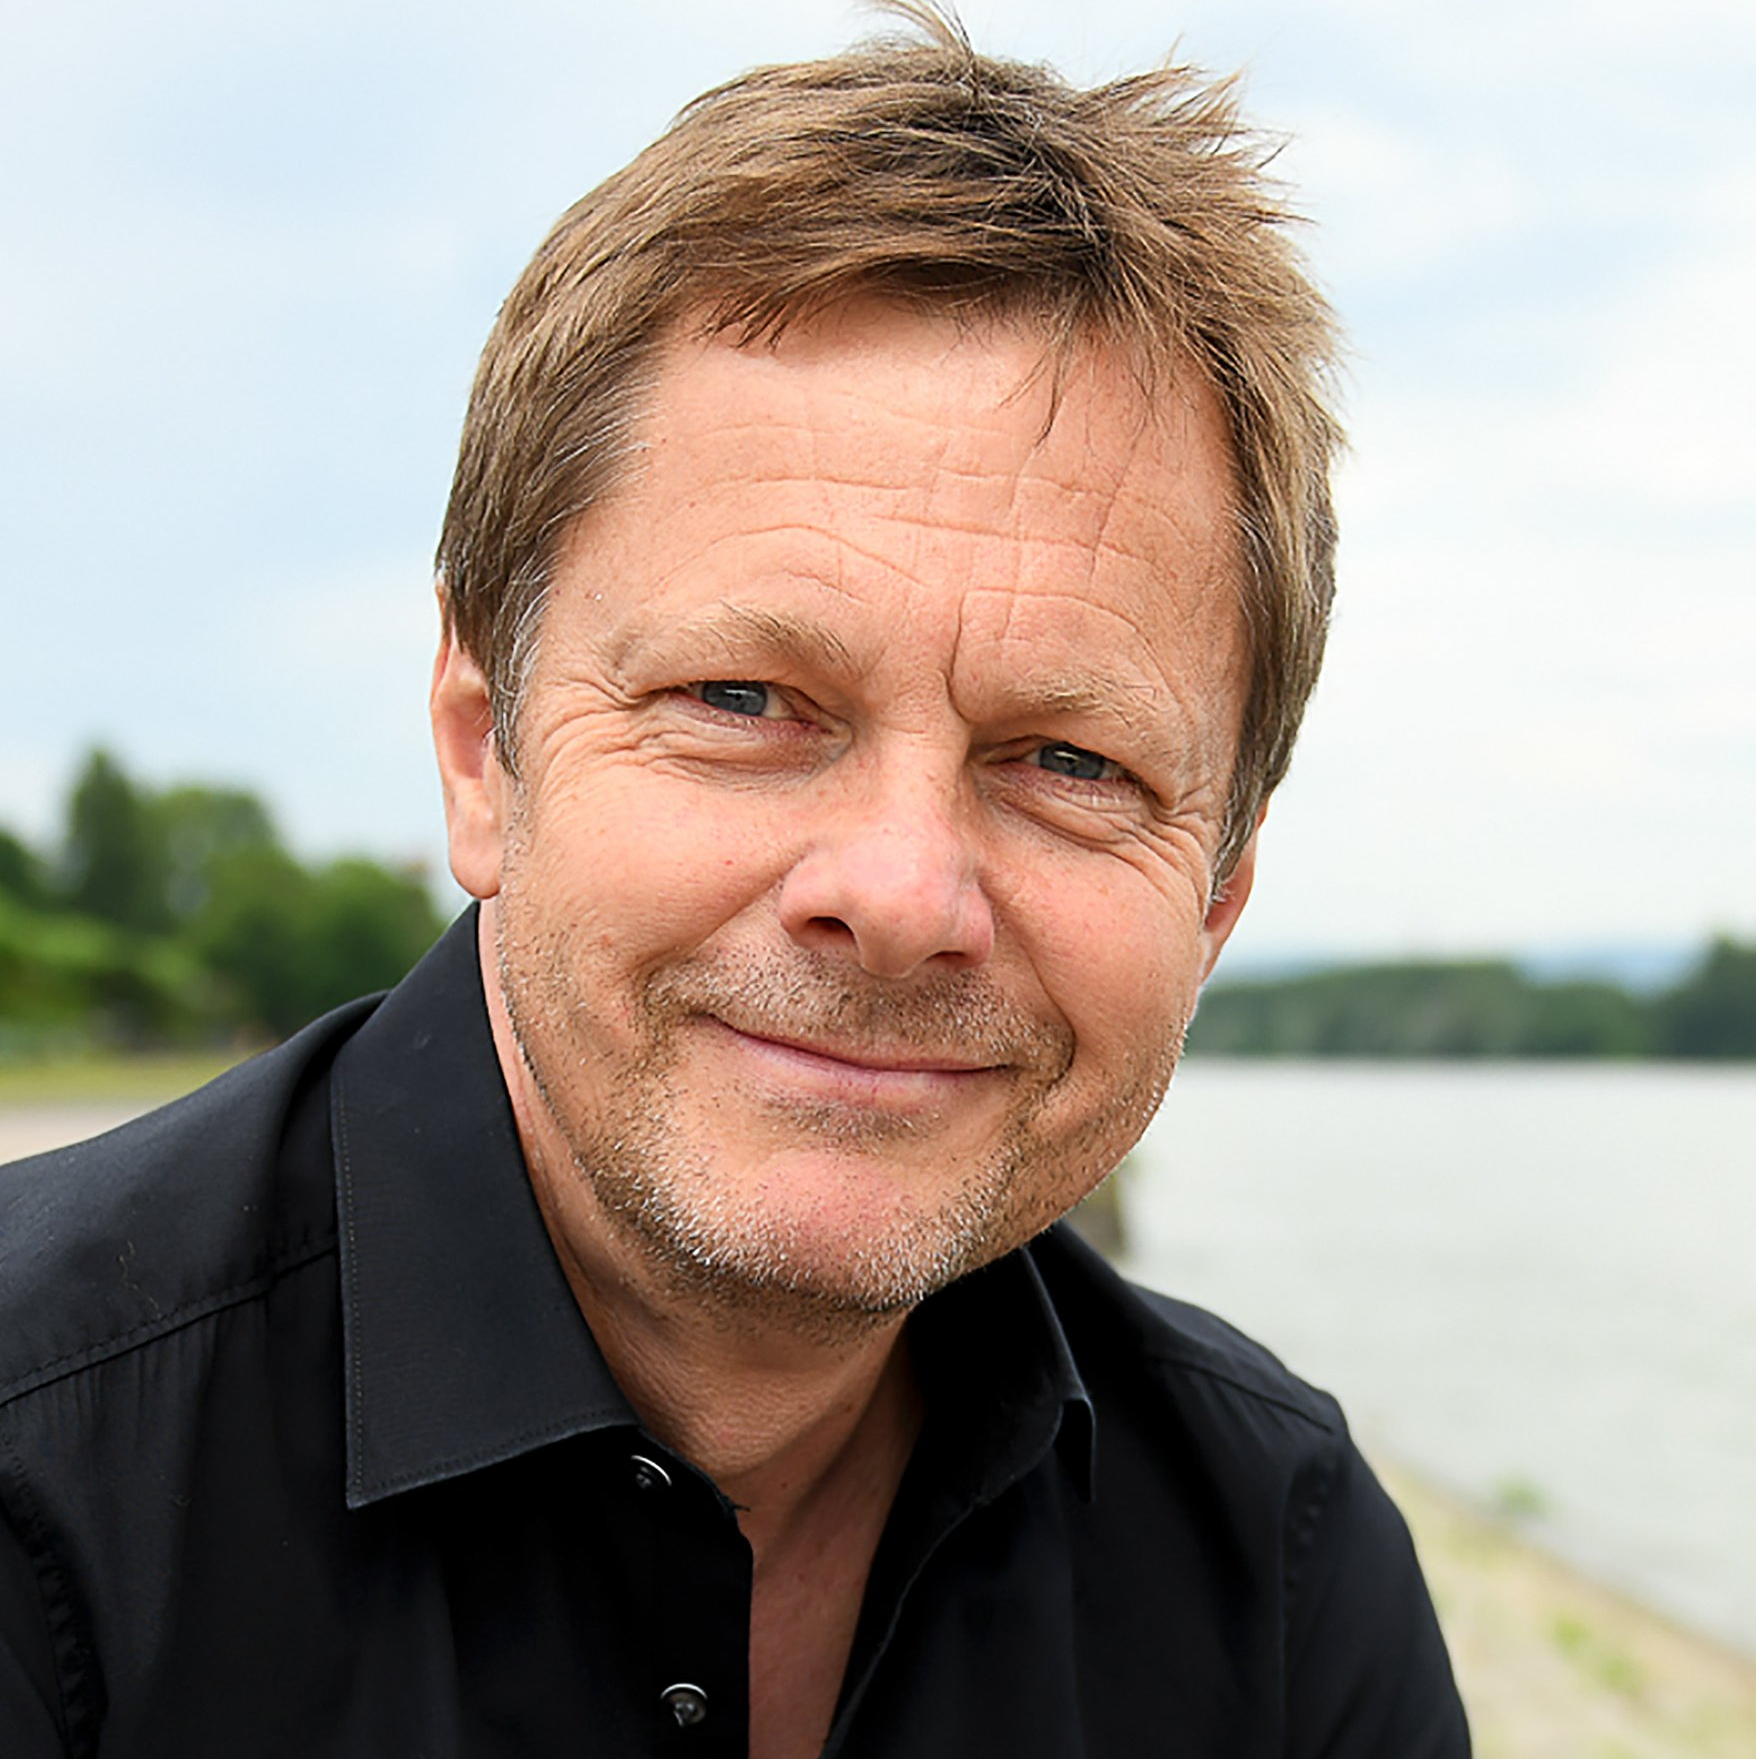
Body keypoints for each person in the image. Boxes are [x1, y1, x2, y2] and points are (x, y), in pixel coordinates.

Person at [0, 10, 1470, 1756]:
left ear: (1216, 898)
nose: (901, 892)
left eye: (1073, 763)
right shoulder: (38, 1490)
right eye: (747, 699)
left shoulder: (1285, 1580)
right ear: (483, 754)